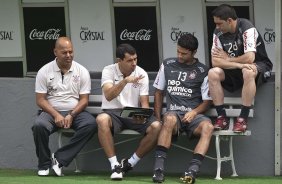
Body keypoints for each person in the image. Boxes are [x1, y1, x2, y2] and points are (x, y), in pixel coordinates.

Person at [152, 34, 214, 183]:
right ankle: (158, 170)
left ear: (194, 52)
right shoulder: (167, 64)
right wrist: (158, 118)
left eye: (184, 53)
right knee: (169, 119)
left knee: (208, 127)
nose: (180, 55)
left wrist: (194, 112)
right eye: (178, 51)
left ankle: (192, 172)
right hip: (174, 114)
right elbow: (159, 93)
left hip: (194, 116)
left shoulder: (203, 70)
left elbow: (207, 102)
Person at [32, 37, 97, 176]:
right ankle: (44, 165)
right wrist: (56, 114)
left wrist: (71, 114)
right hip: (51, 112)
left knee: (91, 124)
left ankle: (60, 159)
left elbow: (84, 100)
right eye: (64, 52)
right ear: (55, 52)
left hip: (75, 112)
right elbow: (40, 100)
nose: (68, 55)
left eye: (71, 51)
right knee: (39, 126)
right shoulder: (44, 71)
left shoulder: (82, 71)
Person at [96, 43, 162, 180]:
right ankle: (114, 165)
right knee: (101, 119)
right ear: (119, 61)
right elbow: (108, 95)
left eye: (135, 59)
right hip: (113, 113)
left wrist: (143, 115)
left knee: (156, 126)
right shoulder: (108, 70)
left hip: (132, 113)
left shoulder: (141, 73)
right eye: (130, 60)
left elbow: (144, 102)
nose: (134, 63)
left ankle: (129, 164)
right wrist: (125, 81)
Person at [208, 4, 273, 132]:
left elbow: (250, 58)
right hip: (236, 68)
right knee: (213, 73)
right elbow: (215, 61)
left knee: (247, 70)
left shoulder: (247, 28)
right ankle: (221, 117)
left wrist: (227, 59)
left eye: (219, 23)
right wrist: (238, 64)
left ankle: (242, 119)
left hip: (259, 64)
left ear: (230, 21)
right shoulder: (218, 32)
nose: (217, 27)